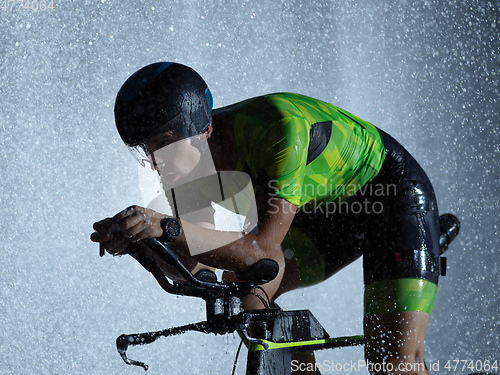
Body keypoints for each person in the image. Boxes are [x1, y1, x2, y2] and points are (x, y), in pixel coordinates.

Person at [91, 62, 460, 375]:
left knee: (392, 362)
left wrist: (167, 227)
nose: (156, 162)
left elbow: (263, 254)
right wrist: (142, 239)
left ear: (203, 131)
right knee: (245, 291)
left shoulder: (277, 129)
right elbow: (198, 264)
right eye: (145, 149)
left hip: (390, 200)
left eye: (165, 143)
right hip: (317, 210)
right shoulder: (183, 172)